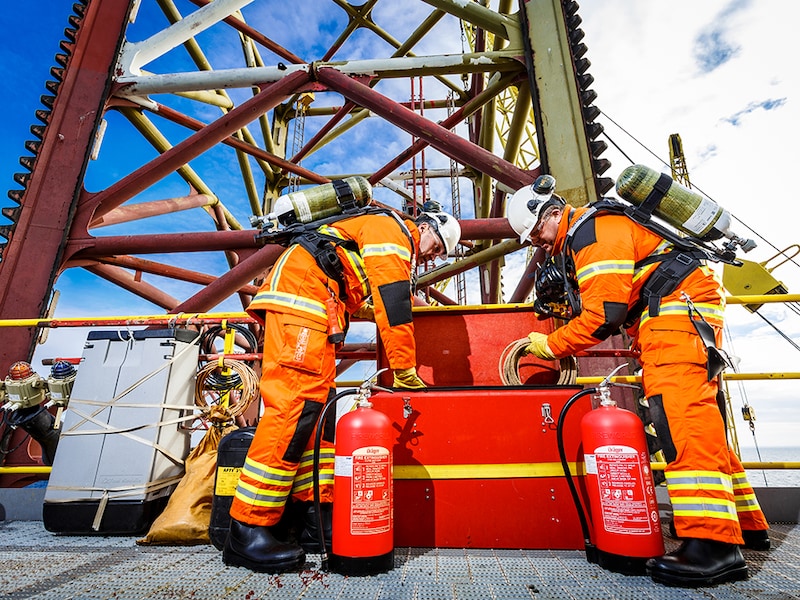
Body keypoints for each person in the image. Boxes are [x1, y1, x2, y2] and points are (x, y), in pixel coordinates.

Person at [506, 177, 769, 588]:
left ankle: (713, 546)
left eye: (536, 232)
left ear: (553, 212)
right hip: (678, 312)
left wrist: (549, 346)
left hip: (675, 315)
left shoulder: (592, 233)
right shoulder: (595, 231)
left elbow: (603, 316)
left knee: (680, 421)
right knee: (699, 420)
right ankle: (748, 525)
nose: (538, 243)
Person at [223, 207, 461, 573]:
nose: (434, 255)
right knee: (293, 410)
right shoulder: (392, 232)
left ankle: (307, 516)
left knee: (318, 420)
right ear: (425, 227)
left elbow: (366, 299)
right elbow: (393, 304)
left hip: (317, 311)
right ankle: (247, 527)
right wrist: (403, 367)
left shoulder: (377, 233)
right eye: (438, 245)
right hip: (302, 308)